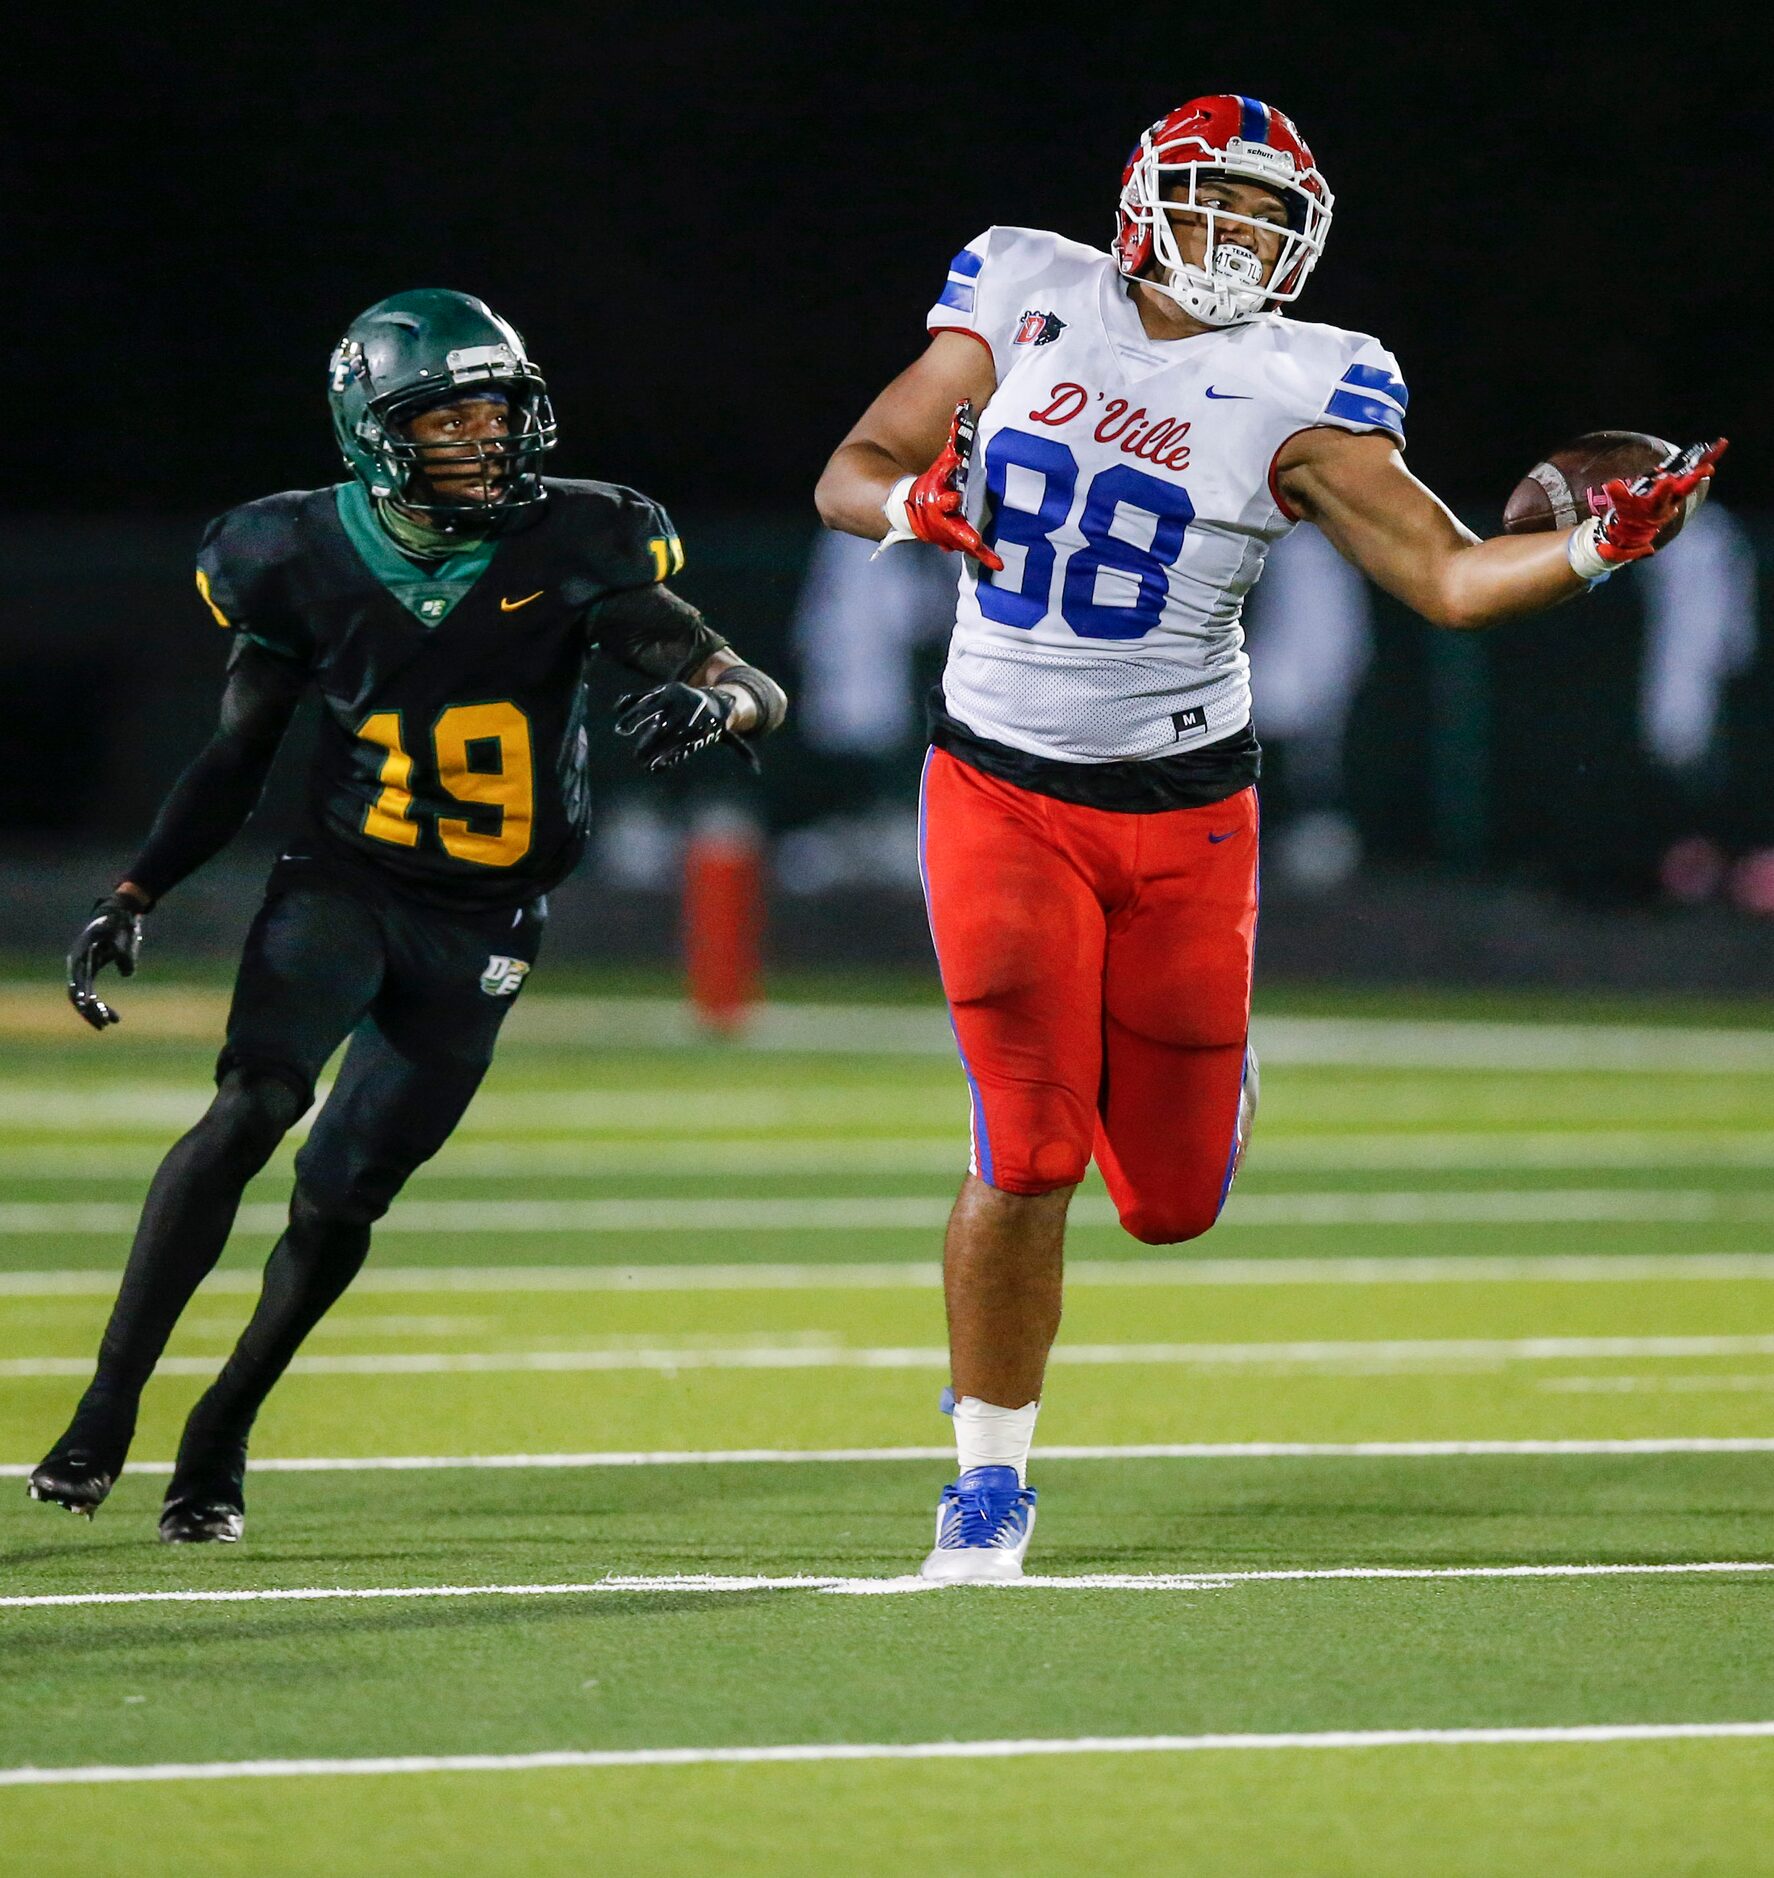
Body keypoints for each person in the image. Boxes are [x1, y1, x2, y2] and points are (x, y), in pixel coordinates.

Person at [814, 93, 1722, 1580]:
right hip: (997, 782)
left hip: (1185, 813)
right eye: (1211, 203)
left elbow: (1444, 578)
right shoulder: (1025, 286)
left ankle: (1194, 1100)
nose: (1234, 236)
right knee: (1027, 1146)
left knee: (1166, 1207)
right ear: (1140, 200)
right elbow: (850, 466)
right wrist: (912, 504)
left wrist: (1588, 546)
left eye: (1261, 215)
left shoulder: (1313, 379)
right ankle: (985, 1476)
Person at [33, 289, 787, 1542]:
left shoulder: (578, 540)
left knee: (340, 1199)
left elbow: (722, 666)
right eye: (449, 420)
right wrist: (137, 887)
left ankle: (218, 1434)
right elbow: (235, 757)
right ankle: (104, 1411)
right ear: (376, 432)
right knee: (252, 1104)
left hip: (488, 920)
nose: (486, 440)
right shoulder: (287, 555)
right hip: (346, 881)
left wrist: (733, 707)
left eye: (499, 412)